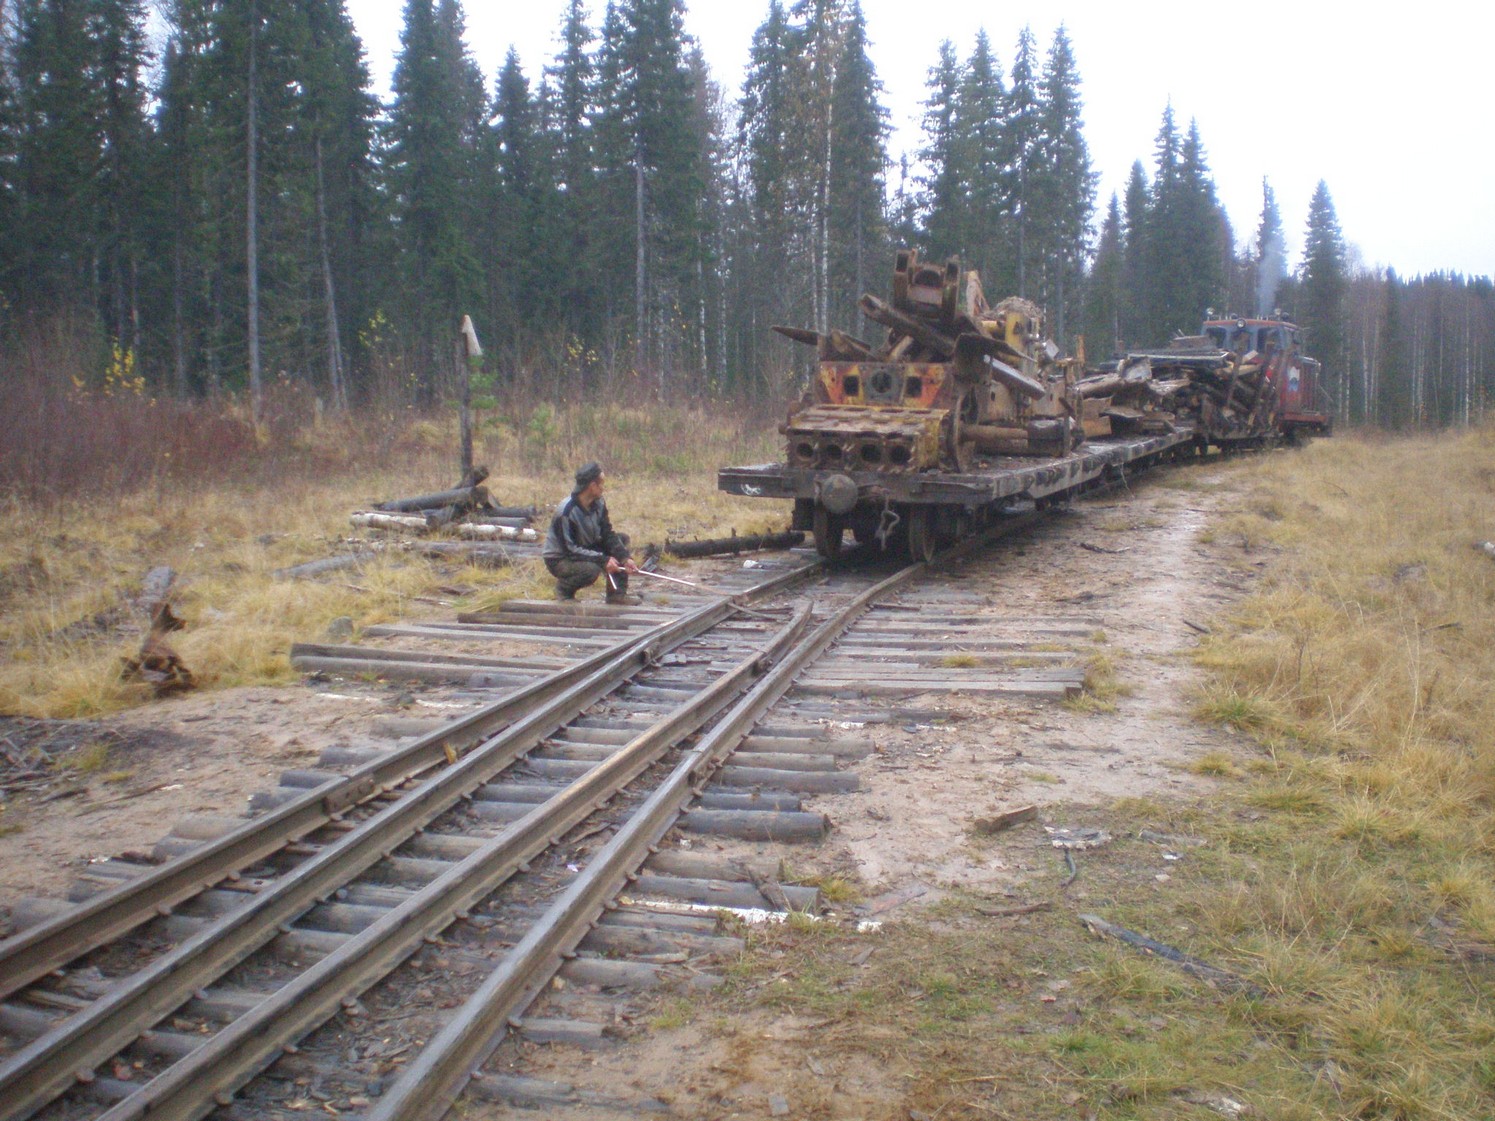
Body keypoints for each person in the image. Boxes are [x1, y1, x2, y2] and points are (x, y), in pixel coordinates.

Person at [542, 461, 641, 605]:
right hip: (560, 558)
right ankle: (564, 592)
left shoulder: (599, 502)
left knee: (621, 540)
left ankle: (616, 594)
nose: (603, 488)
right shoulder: (566, 512)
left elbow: (607, 533)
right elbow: (570, 549)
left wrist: (625, 558)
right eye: (601, 484)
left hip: (585, 547)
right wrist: (603, 560)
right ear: (592, 486)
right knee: (591, 570)